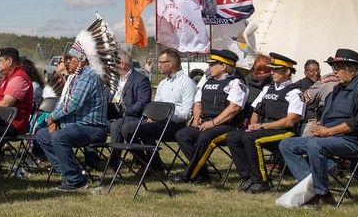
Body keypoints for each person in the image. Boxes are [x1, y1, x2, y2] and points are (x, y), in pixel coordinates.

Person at [279, 48, 358, 208]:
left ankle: (322, 193)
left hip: (352, 140)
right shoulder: (338, 88)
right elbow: (328, 112)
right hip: (330, 137)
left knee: (314, 144)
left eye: (338, 68)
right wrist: (320, 125)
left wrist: (328, 132)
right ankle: (316, 190)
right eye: (334, 68)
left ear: (352, 70)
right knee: (287, 144)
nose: (334, 72)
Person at [34, 36, 110, 192]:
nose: (66, 61)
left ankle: (76, 182)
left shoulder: (89, 76)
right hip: (74, 126)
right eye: (65, 59)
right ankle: (69, 173)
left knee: (59, 137)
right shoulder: (76, 77)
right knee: (42, 135)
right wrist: (53, 120)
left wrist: (53, 118)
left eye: (70, 58)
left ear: (81, 59)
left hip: (93, 128)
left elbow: (73, 104)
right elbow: (62, 103)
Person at [226, 52, 305, 193]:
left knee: (251, 138)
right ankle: (248, 176)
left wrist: (262, 126)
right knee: (233, 137)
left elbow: (290, 121)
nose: (272, 72)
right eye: (271, 69)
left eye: (276, 69)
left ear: (287, 71)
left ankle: (261, 181)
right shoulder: (267, 89)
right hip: (265, 128)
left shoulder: (295, 92)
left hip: (284, 132)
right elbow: (256, 110)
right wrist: (252, 126)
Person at [170, 49, 247, 184]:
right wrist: (196, 119)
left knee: (205, 137)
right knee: (182, 134)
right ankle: (202, 173)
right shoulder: (207, 80)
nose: (209, 67)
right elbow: (198, 102)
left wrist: (213, 123)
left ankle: (189, 175)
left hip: (227, 126)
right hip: (205, 123)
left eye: (212, 64)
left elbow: (233, 108)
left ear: (223, 66)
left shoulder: (236, 83)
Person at [120, 47, 196, 173]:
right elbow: (155, 106)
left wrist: (164, 117)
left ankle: (155, 167)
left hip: (175, 125)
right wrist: (153, 116)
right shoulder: (163, 84)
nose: (158, 65)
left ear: (171, 64)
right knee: (127, 129)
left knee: (142, 130)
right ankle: (146, 162)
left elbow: (186, 113)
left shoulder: (187, 83)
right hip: (157, 123)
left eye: (161, 62)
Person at [107, 49, 151, 153]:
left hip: (132, 116)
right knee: (93, 121)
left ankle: (114, 163)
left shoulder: (141, 80)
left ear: (121, 64)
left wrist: (124, 111)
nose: (110, 65)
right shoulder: (113, 80)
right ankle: (91, 160)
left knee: (116, 125)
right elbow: (107, 98)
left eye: (113, 62)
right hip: (113, 114)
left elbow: (142, 103)